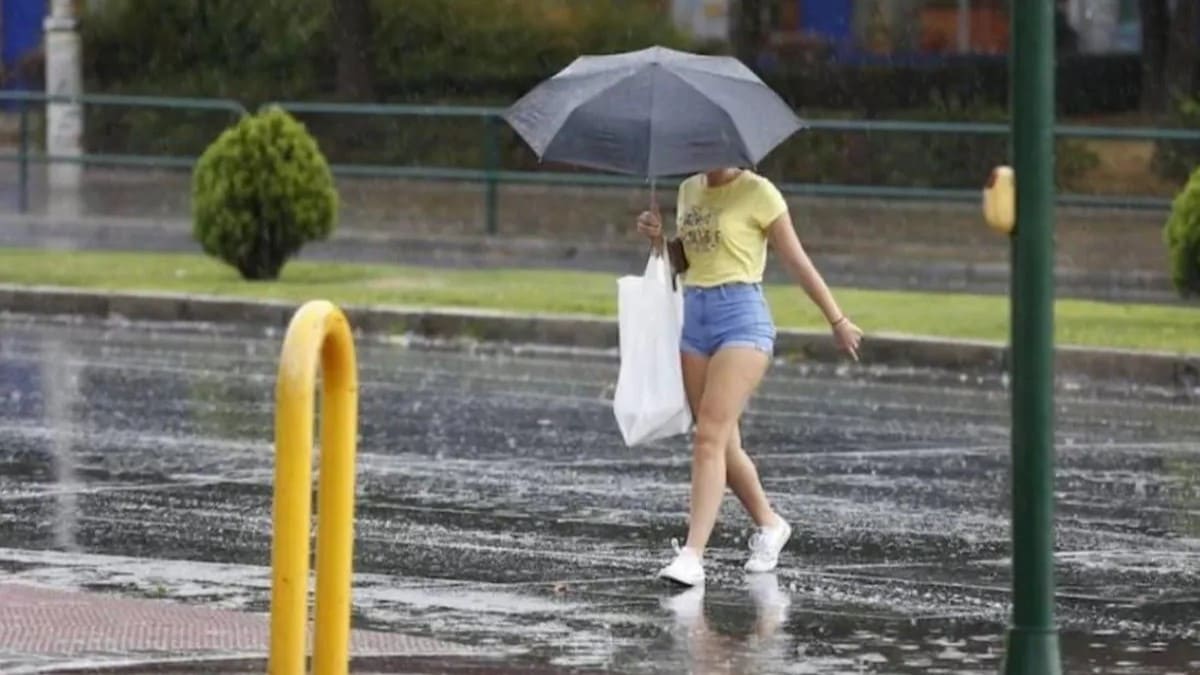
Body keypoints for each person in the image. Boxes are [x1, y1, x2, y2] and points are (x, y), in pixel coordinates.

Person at [636, 167, 863, 586]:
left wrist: (837, 319)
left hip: (741, 318)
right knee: (722, 443)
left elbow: (797, 260)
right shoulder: (688, 190)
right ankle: (770, 523)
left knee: (709, 437)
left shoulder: (760, 192)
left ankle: (692, 555)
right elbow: (685, 260)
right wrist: (658, 242)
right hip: (694, 319)